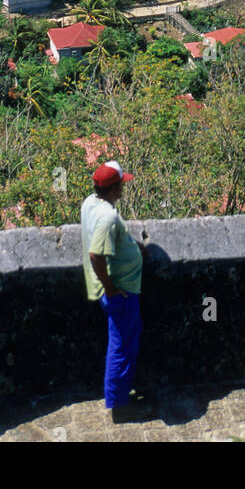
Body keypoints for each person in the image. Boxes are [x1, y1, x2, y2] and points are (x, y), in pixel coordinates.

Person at [80, 160, 144, 422]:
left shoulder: (91, 203)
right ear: (115, 188)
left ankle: (119, 398)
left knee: (126, 339)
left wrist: (133, 245)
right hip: (121, 290)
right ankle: (119, 405)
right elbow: (96, 254)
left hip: (116, 286)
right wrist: (112, 289)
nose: (123, 190)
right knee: (122, 348)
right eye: (122, 185)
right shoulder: (108, 217)